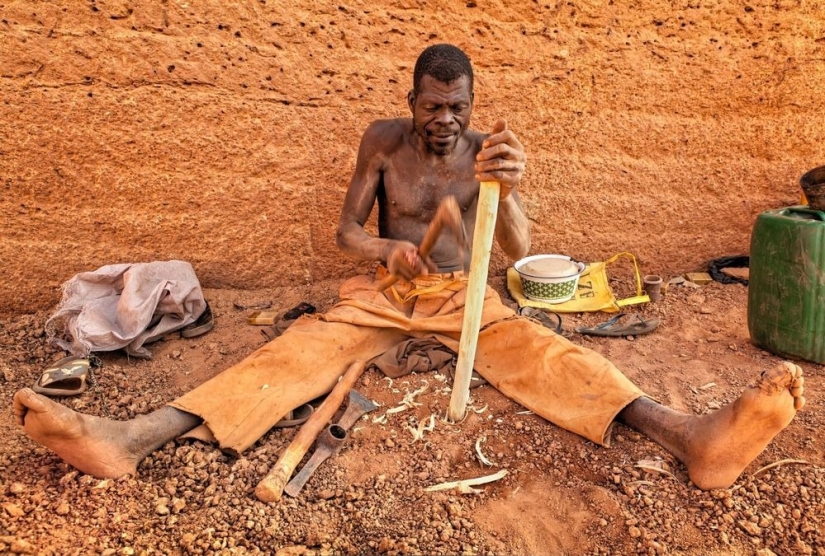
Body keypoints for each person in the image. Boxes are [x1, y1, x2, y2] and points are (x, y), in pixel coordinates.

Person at [13, 44, 805, 491]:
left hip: (461, 295)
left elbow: (520, 256)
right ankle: (133, 436)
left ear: (470, 102)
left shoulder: (486, 154)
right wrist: (383, 247)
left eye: (456, 107)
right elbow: (342, 234)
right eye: (433, 105)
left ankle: (691, 437)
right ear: (412, 98)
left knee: (545, 353)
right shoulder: (381, 141)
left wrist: (511, 190)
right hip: (387, 287)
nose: (444, 119)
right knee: (295, 353)